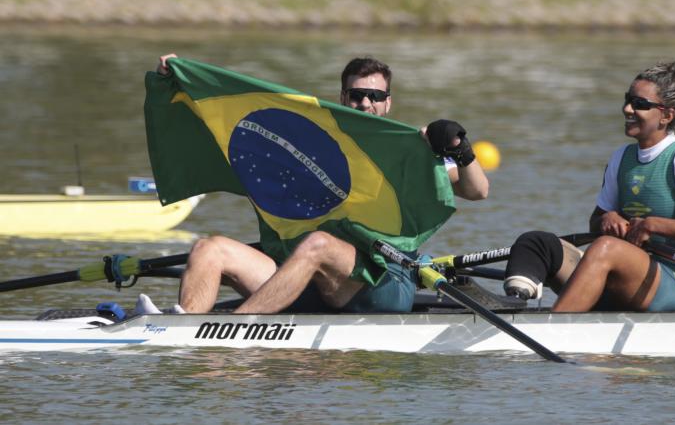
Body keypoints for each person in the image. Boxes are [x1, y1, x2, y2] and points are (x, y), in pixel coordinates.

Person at [136, 55, 489, 315]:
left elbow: (477, 191)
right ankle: (183, 330)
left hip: (381, 284)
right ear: (342, 98)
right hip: (308, 279)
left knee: (317, 243)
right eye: (356, 95)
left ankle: (233, 328)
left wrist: (461, 149)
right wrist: (183, 80)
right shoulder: (312, 147)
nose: (365, 103)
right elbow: (229, 129)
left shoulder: (408, 152)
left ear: (388, 103)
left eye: (376, 97)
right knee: (209, 248)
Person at [505, 61, 675, 312]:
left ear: (667, 116)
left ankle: (552, 329)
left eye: (640, 104)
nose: (627, 109)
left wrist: (653, 225)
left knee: (606, 247)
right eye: (627, 100)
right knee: (538, 242)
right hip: (622, 279)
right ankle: (515, 305)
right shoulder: (620, 158)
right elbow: (595, 223)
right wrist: (608, 218)